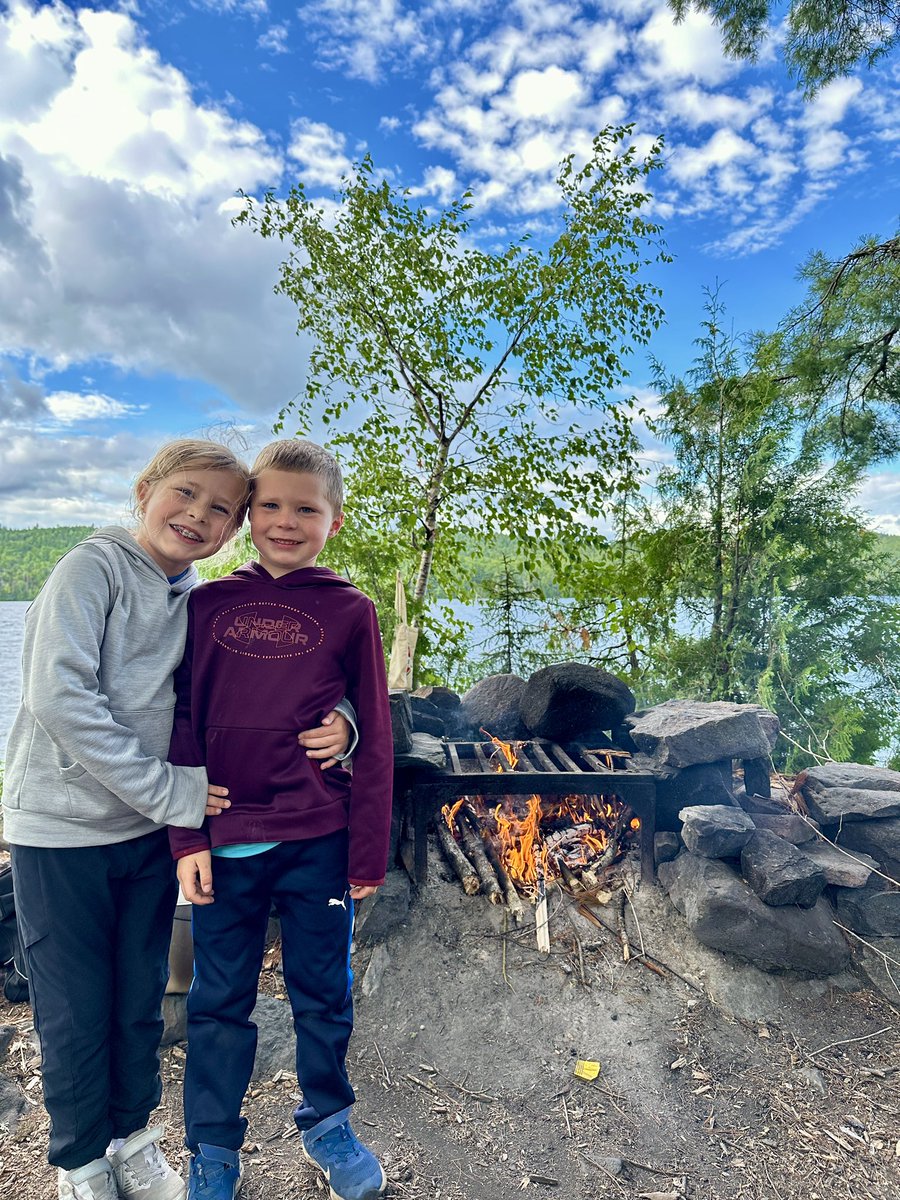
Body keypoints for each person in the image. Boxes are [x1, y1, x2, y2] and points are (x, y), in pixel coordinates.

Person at [2, 439, 353, 1200]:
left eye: (220, 508)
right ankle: (79, 1163)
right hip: (62, 831)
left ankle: (132, 1140)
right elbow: (60, 700)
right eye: (186, 494)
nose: (198, 515)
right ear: (145, 490)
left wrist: (347, 718)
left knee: (137, 1003)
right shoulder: (88, 572)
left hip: (141, 834)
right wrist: (177, 800)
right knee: (72, 1009)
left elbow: (254, 688)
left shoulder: (196, 597)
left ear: (233, 530)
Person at [168, 439, 393, 1200]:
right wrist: (186, 836)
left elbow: (376, 732)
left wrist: (367, 852)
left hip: (319, 843)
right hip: (225, 843)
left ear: (334, 519)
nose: (285, 522)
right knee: (217, 1001)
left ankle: (328, 1121)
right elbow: (182, 719)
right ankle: (214, 1149)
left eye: (306, 508)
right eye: (269, 505)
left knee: (323, 989)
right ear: (247, 513)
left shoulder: (351, 610)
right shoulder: (206, 604)